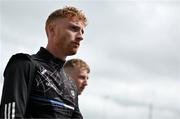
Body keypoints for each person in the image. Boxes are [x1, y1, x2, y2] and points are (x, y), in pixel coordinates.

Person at [0, 6, 87, 118]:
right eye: (74, 28)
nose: (80, 36)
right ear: (52, 29)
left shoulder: (71, 84)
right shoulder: (24, 65)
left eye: (82, 32)